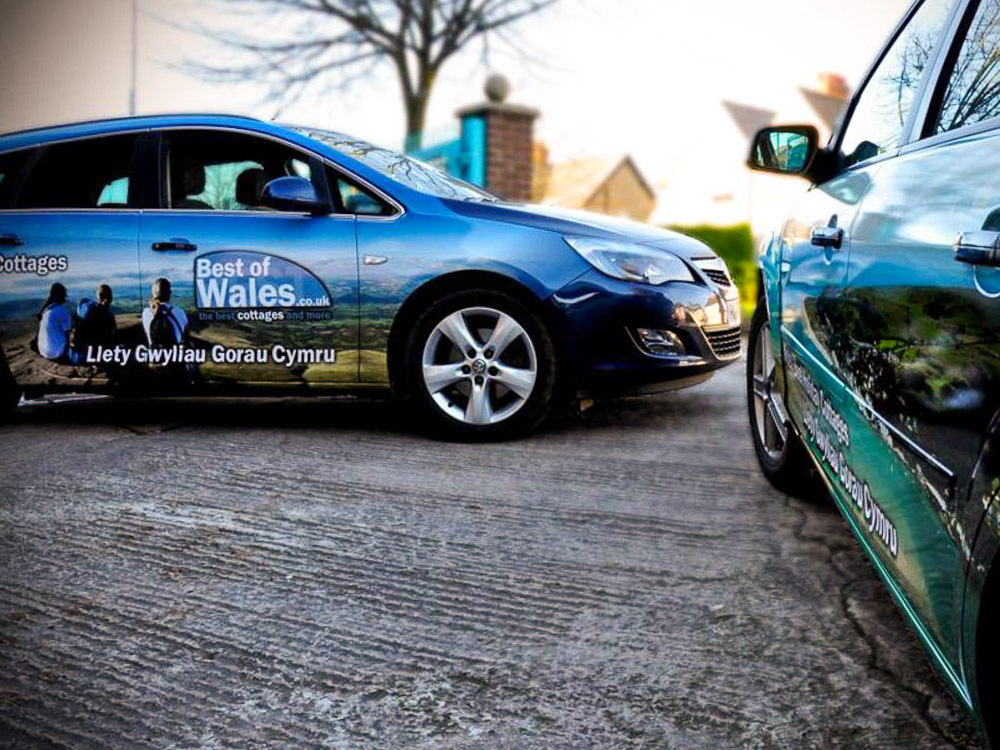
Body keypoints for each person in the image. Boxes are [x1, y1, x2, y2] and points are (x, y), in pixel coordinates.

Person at [71, 284, 117, 363]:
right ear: (110, 298)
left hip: (80, 353)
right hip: (97, 355)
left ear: (98, 297)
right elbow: (110, 339)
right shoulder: (108, 316)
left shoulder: (86, 310)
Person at [141, 278, 188, 347]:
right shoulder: (180, 312)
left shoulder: (146, 313)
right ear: (170, 294)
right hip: (174, 352)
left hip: (155, 353)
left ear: (153, 294)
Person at [36, 283, 72, 361]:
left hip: (43, 352)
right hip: (57, 353)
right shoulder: (61, 311)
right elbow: (68, 334)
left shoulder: (45, 311)